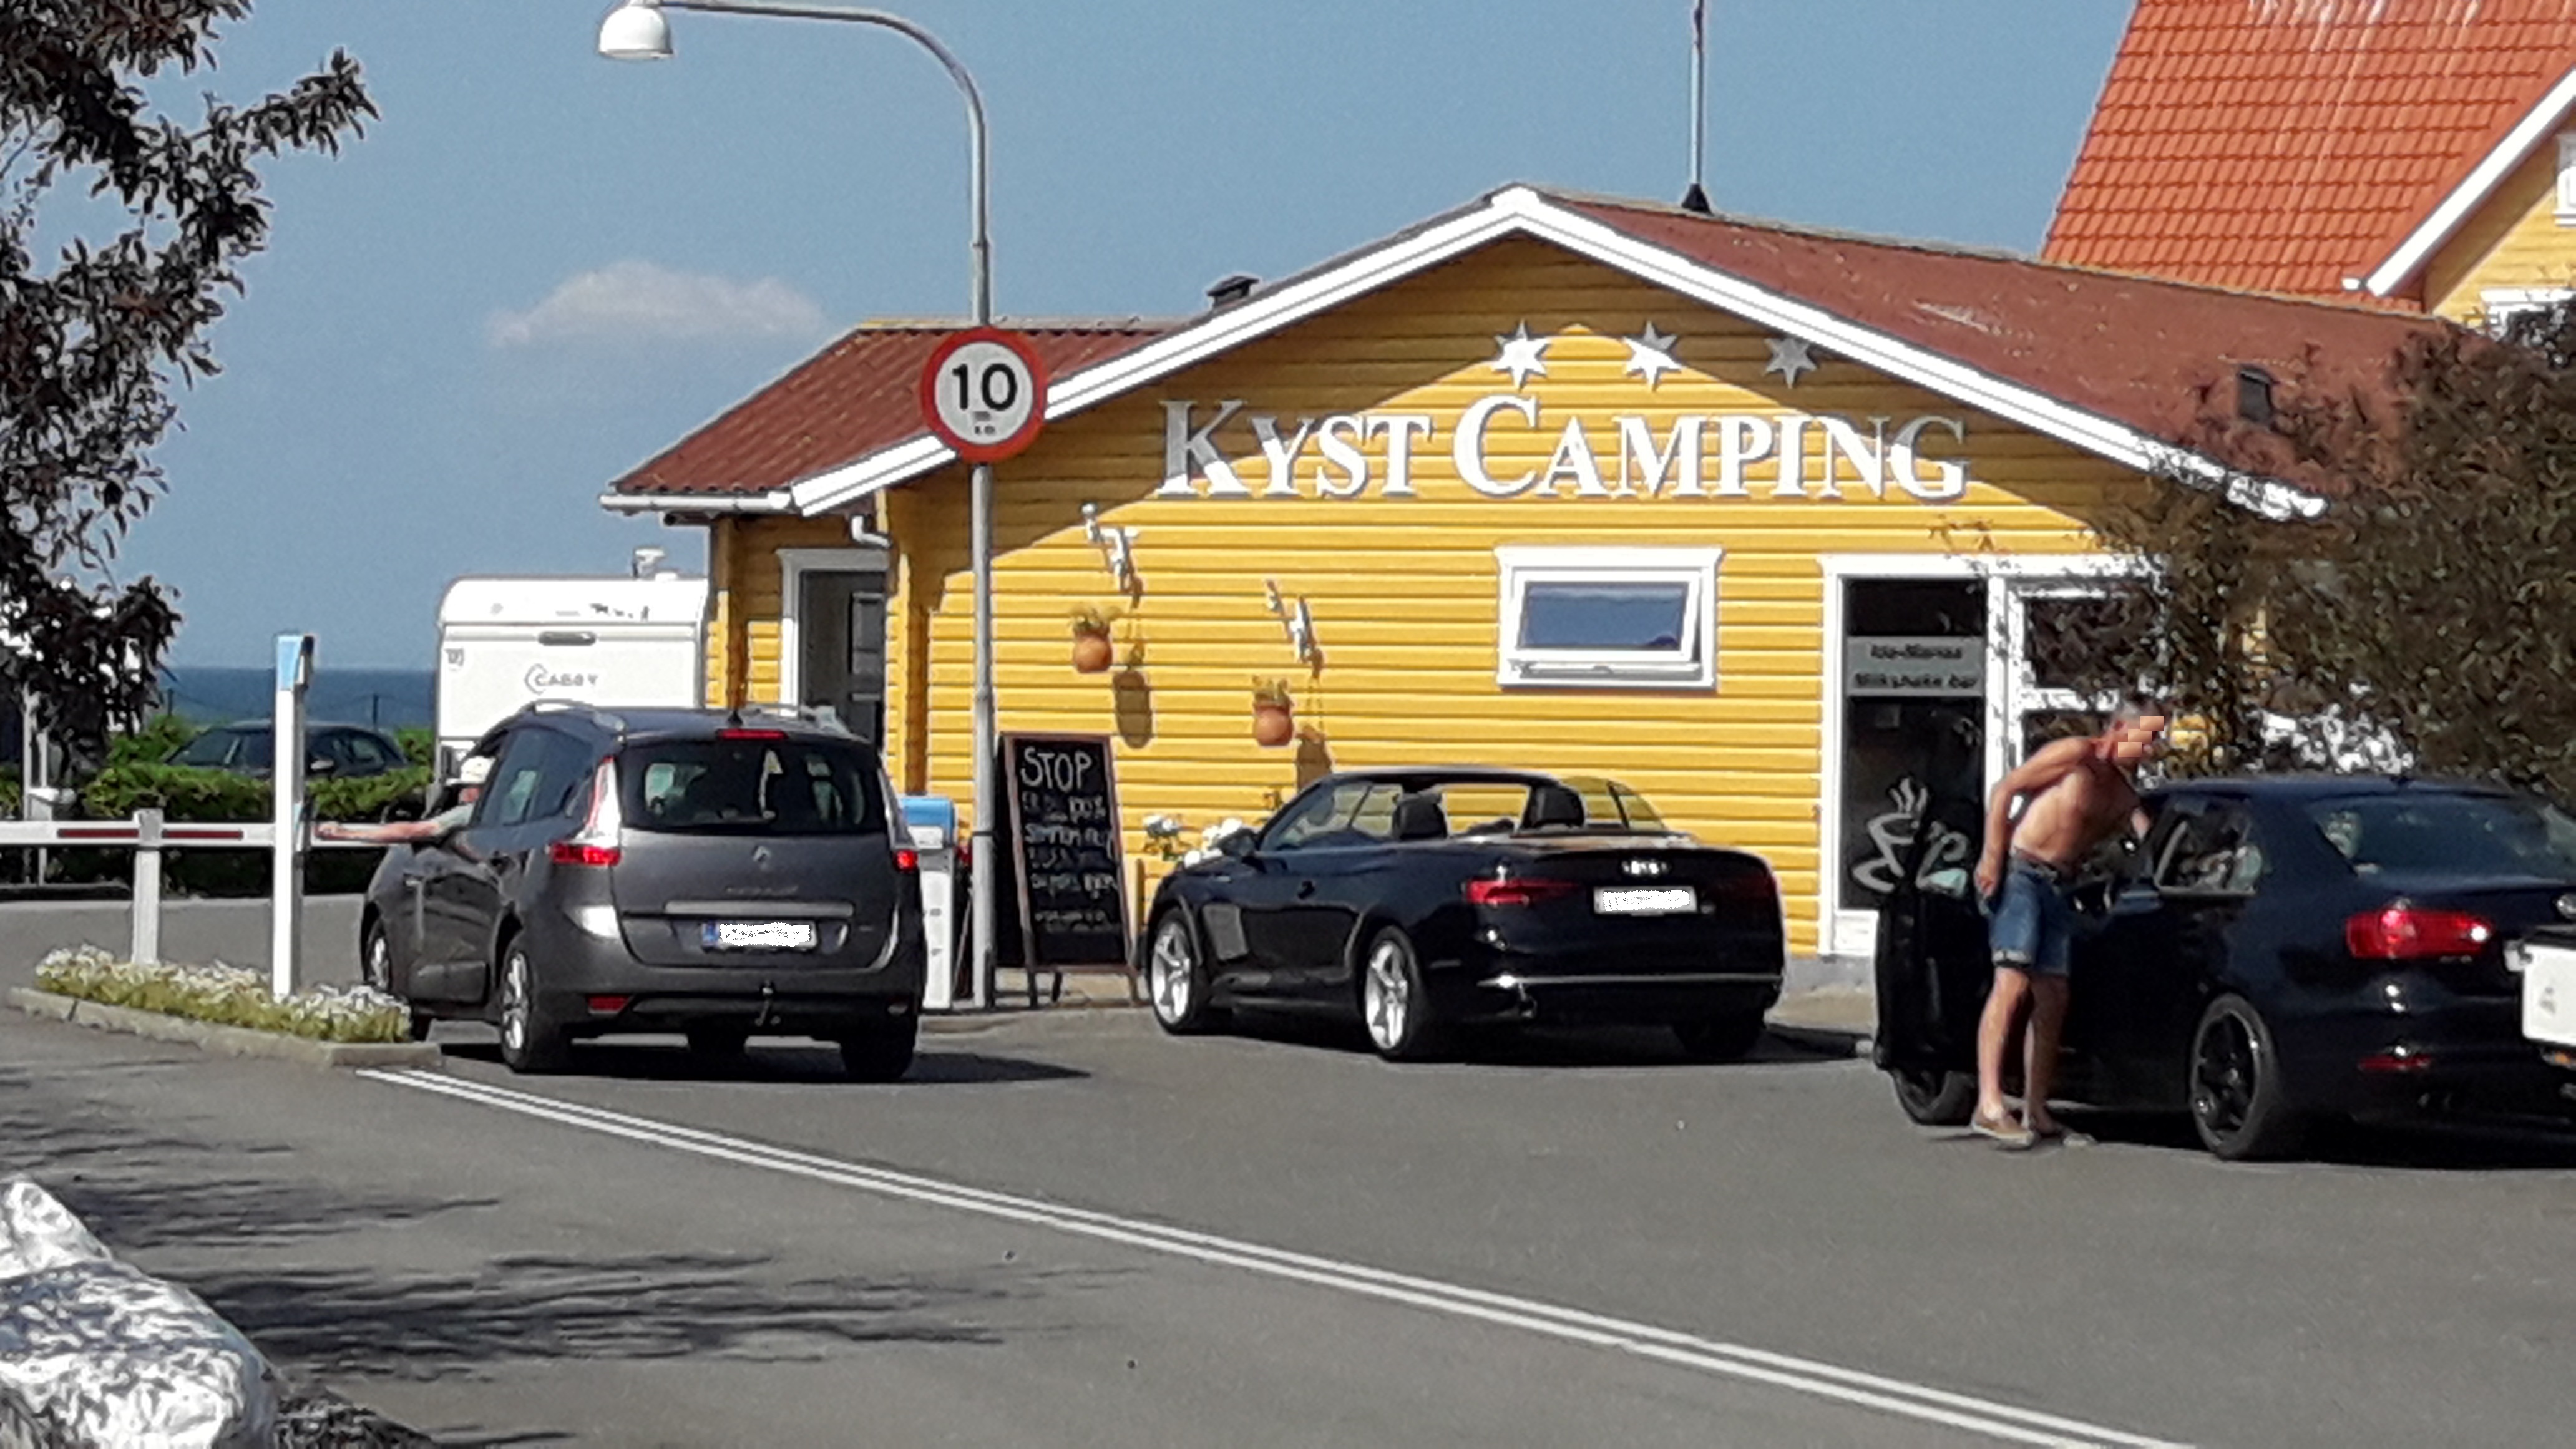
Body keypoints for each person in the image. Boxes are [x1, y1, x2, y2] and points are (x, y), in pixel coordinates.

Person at [1969, 699, 2167, 1149]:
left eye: (2157, 739)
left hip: (2061, 886)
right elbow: (2007, 790)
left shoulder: (2122, 793)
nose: (2152, 748)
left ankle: (2036, 1110)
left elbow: (2149, 838)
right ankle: (1989, 1103)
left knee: (2054, 994)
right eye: (2149, 736)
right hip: (2023, 871)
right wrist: (1992, 856)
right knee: (2012, 982)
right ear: (2121, 728)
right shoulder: (2076, 755)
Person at [318, 754, 489, 845]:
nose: (462, 793)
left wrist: (346, 833)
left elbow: (418, 830)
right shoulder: (498, 812)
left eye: (469, 787)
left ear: (488, 789)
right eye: (461, 787)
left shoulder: (471, 812)